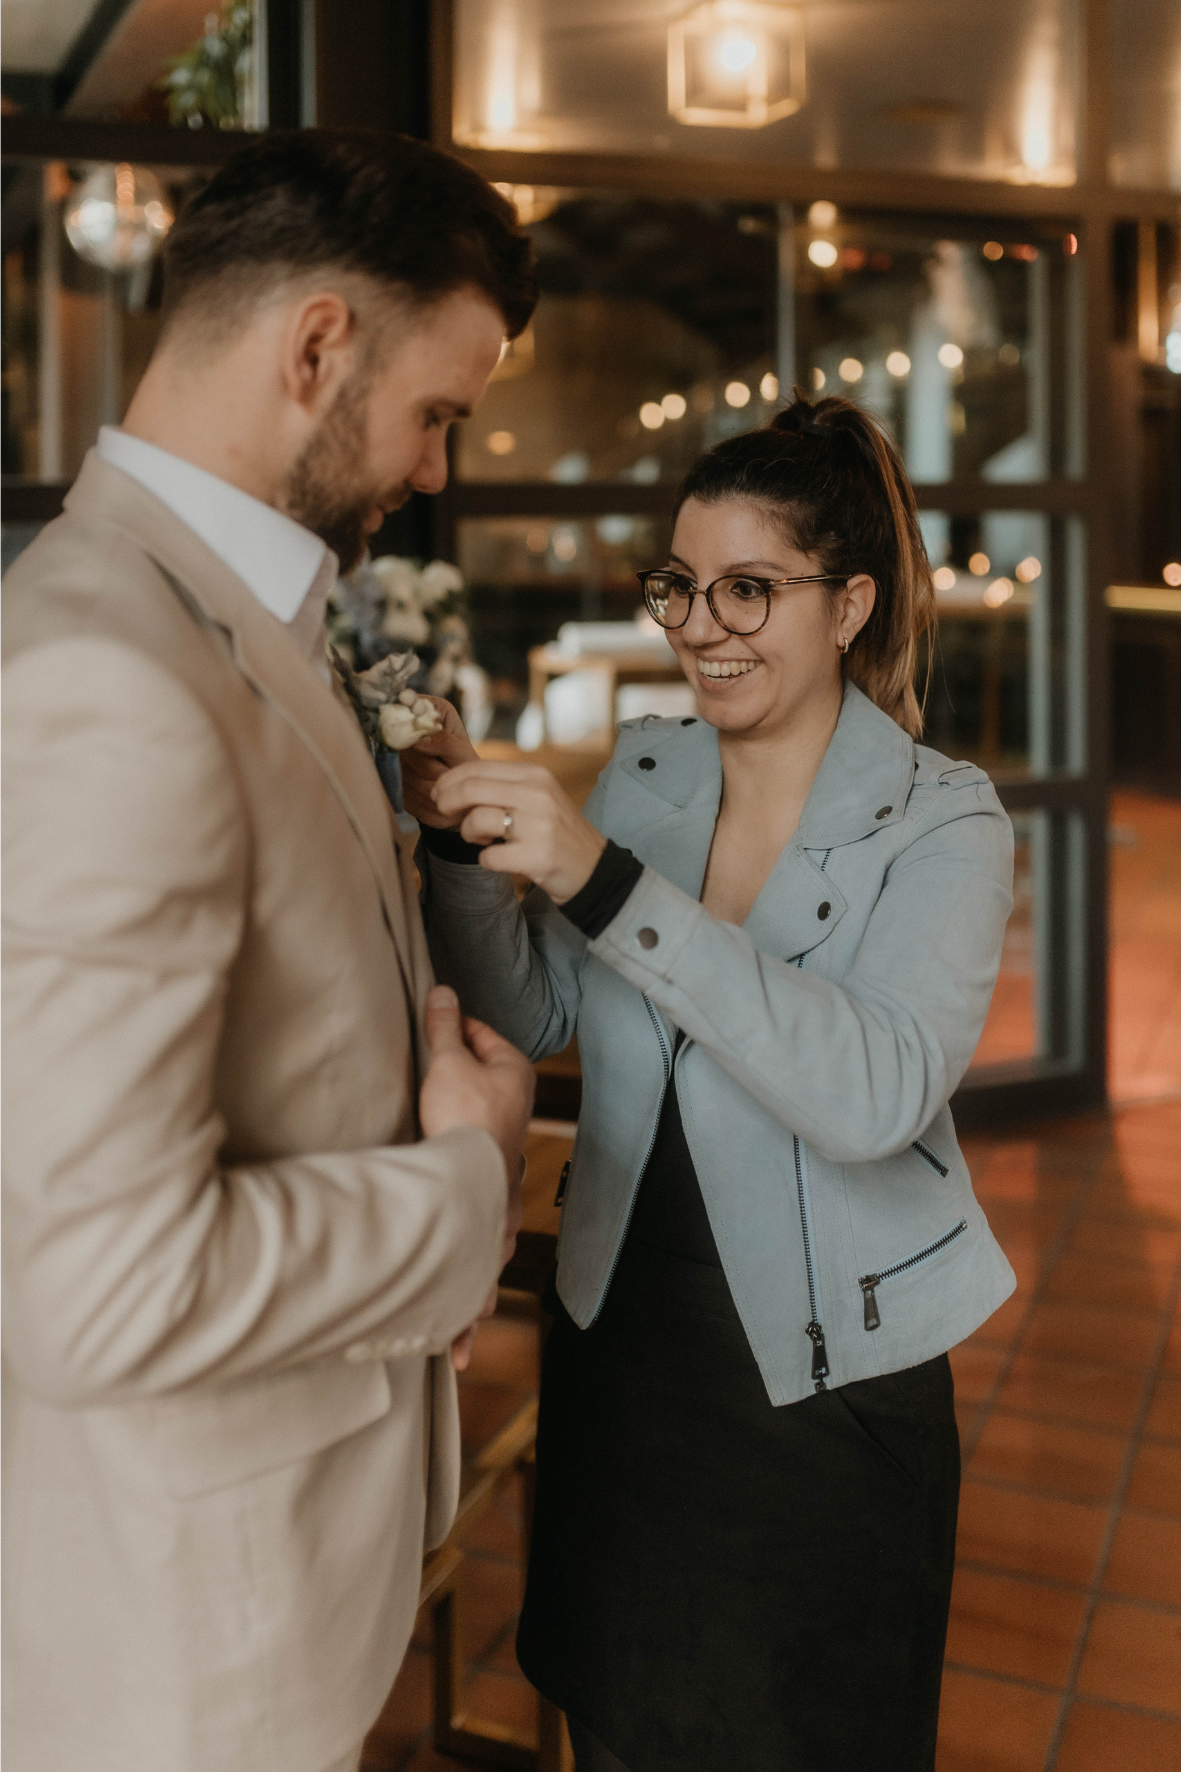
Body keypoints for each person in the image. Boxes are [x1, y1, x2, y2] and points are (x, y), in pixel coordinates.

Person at [2, 130, 538, 1772]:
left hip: (284, 1562)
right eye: (437, 410)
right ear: (316, 347)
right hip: (186, 1659)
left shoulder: (228, 618)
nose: (439, 468)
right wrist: (462, 1189)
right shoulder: (106, 680)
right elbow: (91, 1288)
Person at [403, 395, 1017, 1772]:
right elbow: (548, 1003)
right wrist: (454, 850)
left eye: (750, 588)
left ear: (850, 603)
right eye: (680, 586)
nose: (701, 624)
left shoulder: (943, 818)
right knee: (617, 1727)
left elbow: (876, 1088)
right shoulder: (656, 770)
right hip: (625, 1342)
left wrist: (604, 883)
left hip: (823, 1394)